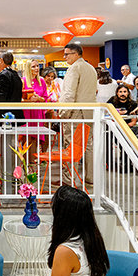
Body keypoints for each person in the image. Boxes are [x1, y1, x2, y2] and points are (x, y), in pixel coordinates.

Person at [58, 43, 97, 186]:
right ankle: (90, 178)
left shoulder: (74, 68)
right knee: (88, 145)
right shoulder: (91, 68)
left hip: (76, 112)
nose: (64, 57)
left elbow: (69, 94)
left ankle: (68, 180)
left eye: (66, 54)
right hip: (89, 112)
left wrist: (63, 113)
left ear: (76, 54)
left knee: (71, 145)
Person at [0, 51, 23, 119]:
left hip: (5, 116)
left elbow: (1, 97)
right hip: (15, 114)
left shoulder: (3, 75)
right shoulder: (15, 74)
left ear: (1, 60)